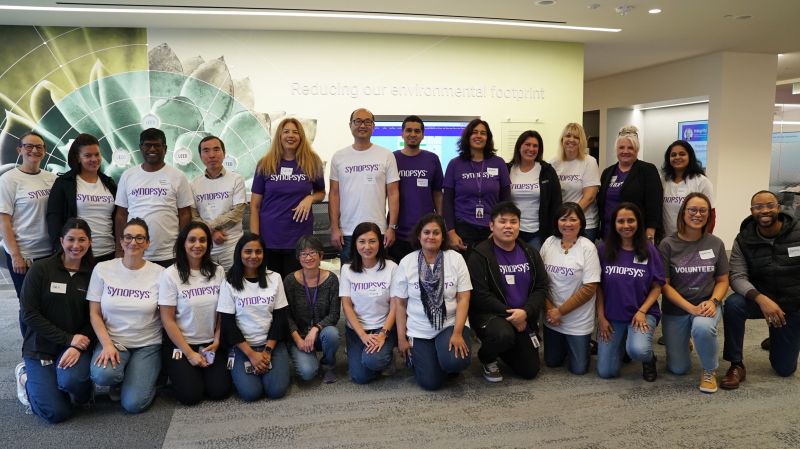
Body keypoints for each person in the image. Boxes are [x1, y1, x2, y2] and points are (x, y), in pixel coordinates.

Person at [16, 218, 94, 423]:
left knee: (75, 384)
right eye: (70, 239)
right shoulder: (41, 269)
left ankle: (64, 385)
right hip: (40, 346)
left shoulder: (93, 274)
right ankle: (25, 377)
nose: (76, 246)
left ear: (90, 242)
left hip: (75, 347)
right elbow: (29, 314)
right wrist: (68, 339)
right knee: (56, 413)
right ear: (61, 241)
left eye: (82, 240)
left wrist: (77, 345)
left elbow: (96, 316)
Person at [721, 190, 800, 389]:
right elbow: (737, 276)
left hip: (793, 302)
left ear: (778, 208)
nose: (764, 210)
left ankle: (777, 336)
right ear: (751, 211)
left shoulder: (798, 232)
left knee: (784, 369)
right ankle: (736, 364)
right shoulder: (743, 239)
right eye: (758, 207)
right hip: (760, 300)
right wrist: (761, 299)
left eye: (769, 205)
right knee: (733, 305)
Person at [88, 217, 165, 414]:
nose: (134, 242)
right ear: (121, 241)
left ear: (147, 243)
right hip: (113, 342)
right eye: (129, 237)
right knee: (102, 376)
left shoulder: (161, 273)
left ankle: (144, 377)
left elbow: (167, 315)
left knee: (133, 404)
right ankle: (120, 377)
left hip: (147, 344)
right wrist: (106, 345)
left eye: (140, 238)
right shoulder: (102, 269)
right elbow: (94, 313)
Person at [467, 201, 548, 382]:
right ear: (491, 225)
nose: (508, 226)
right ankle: (487, 358)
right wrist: (511, 314)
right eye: (502, 222)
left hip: (523, 316)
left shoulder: (530, 252)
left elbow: (541, 287)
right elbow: (480, 295)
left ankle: (505, 346)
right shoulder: (480, 255)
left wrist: (525, 312)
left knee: (530, 370)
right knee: (502, 335)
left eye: (513, 222)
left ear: (519, 225)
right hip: (492, 316)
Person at [392, 213, 472, 390]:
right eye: (426, 232)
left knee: (455, 362)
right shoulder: (407, 262)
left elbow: (463, 298)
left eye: (436, 232)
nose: (431, 236)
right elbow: (400, 304)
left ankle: (443, 358)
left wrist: (458, 333)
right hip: (419, 330)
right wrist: (401, 338)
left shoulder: (455, 259)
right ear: (419, 235)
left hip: (450, 324)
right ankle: (431, 359)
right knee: (431, 383)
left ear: (443, 236)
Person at [658, 193, 728, 393]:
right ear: (683, 213)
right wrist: (689, 308)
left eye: (702, 210)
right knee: (678, 368)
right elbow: (664, 285)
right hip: (677, 309)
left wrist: (713, 301)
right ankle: (684, 340)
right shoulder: (667, 244)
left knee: (702, 328)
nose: (697, 214)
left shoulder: (716, 243)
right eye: (692, 210)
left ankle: (709, 370)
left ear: (708, 215)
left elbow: (723, 280)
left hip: (706, 305)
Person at [158, 221, 231, 405]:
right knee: (191, 396)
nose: (197, 245)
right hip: (182, 345)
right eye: (192, 240)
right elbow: (167, 320)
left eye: (202, 240)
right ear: (183, 243)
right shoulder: (170, 274)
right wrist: (190, 354)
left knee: (219, 391)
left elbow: (222, 312)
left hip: (210, 344)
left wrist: (216, 341)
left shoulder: (218, 271)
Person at [217, 233, 291, 401]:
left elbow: (280, 319)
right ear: (239, 254)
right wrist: (251, 355)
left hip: (271, 345)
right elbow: (228, 325)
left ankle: (271, 368)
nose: (253, 256)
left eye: (258, 252)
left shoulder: (275, 278)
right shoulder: (228, 282)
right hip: (243, 347)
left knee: (276, 391)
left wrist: (266, 352)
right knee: (251, 394)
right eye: (248, 251)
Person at [596, 203, 665, 381]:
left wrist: (642, 311)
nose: (626, 225)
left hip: (641, 313)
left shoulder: (649, 249)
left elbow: (658, 285)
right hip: (613, 316)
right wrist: (602, 318)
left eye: (631, 221)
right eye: (621, 221)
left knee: (638, 350)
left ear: (638, 222)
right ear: (614, 224)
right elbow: (598, 287)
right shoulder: (603, 250)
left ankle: (649, 359)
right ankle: (623, 344)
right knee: (606, 372)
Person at [251, 118, 325, 277]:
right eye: (286, 132)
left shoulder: (313, 162)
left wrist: (309, 199)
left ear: (301, 137)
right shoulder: (265, 164)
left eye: (295, 132)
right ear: (279, 136)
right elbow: (255, 206)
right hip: (270, 239)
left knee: (296, 289)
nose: (290, 135)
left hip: (300, 240)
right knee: (272, 290)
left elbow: (321, 192)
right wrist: (255, 240)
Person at [329, 108, 400, 263]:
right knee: (350, 279)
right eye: (358, 121)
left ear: (373, 126)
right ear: (350, 125)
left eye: (367, 121)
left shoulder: (386, 155)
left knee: (379, 279)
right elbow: (334, 194)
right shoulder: (339, 157)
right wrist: (334, 228)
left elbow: (393, 193)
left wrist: (391, 227)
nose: (363, 125)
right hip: (347, 232)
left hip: (379, 231)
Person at [115, 128, 193, 267]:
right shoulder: (128, 175)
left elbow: (185, 214)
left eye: (157, 145)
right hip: (134, 251)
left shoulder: (178, 176)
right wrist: (119, 249)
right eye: (148, 145)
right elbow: (121, 215)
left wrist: (183, 247)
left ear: (165, 148)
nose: (152, 149)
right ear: (140, 147)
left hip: (169, 254)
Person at [540, 202, 601, 375]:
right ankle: (567, 344)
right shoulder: (549, 243)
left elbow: (589, 288)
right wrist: (550, 309)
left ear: (581, 223)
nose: (568, 224)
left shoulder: (587, 247)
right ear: (556, 222)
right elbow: (539, 281)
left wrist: (560, 312)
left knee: (579, 369)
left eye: (573, 219)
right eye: (563, 219)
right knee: (552, 362)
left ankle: (584, 343)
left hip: (577, 320)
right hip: (552, 318)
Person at [0, 131, 57, 301]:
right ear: (19, 150)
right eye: (28, 146)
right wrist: (16, 255)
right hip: (25, 255)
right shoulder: (9, 180)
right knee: (28, 304)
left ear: (44, 151)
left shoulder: (51, 178)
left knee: (50, 301)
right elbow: (4, 220)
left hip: (49, 253)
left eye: (39, 146)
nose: (34, 150)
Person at [340, 222, 398, 384]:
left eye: (372, 241)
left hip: (383, 327)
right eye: (362, 241)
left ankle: (384, 357)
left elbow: (395, 305)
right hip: (357, 330)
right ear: (355, 244)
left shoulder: (392, 267)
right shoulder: (347, 269)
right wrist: (363, 336)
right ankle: (368, 356)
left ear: (380, 243)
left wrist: (382, 334)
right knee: (360, 377)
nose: (367, 246)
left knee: (373, 361)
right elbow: (346, 306)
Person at [444, 119, 511, 255]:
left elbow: (506, 201)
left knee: (489, 273)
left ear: (488, 138)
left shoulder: (498, 163)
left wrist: (501, 229)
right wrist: (450, 232)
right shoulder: (455, 164)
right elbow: (447, 202)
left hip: (491, 230)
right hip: (462, 231)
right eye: (474, 132)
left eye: (483, 133)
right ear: (467, 136)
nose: (479, 136)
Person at [47, 133, 117, 262]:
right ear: (78, 158)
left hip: (108, 252)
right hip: (76, 254)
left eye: (97, 154)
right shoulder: (64, 183)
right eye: (87, 155)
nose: (94, 159)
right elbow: (54, 218)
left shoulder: (109, 183)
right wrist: (60, 250)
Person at [284, 235, 340, 384]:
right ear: (298, 257)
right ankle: (304, 355)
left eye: (312, 253)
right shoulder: (290, 281)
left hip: (322, 333)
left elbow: (334, 314)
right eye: (303, 254)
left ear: (321, 255)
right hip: (299, 336)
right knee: (308, 373)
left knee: (332, 334)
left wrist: (316, 329)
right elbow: (286, 316)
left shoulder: (332, 279)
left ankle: (328, 365)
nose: (308, 257)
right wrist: (298, 339)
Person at [390, 115, 443, 262]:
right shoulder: (392, 158)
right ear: (402, 133)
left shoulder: (432, 159)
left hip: (426, 233)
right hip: (398, 232)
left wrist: (440, 220)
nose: (412, 134)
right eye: (408, 130)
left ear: (423, 135)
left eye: (417, 131)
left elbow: (438, 193)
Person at [597, 126, 663, 242]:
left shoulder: (647, 170)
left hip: (636, 234)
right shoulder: (607, 172)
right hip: (609, 234)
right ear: (616, 150)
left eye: (630, 148)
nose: (625, 151)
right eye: (621, 147)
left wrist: (650, 232)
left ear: (636, 150)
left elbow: (655, 205)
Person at [191, 136, 246, 271]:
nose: (212, 155)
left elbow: (237, 212)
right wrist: (211, 232)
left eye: (216, 149)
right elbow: (194, 215)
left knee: (234, 284)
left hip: (232, 244)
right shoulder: (193, 184)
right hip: (205, 246)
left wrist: (210, 227)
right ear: (200, 155)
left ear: (224, 153)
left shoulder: (236, 179)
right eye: (206, 151)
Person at [507, 130, 562, 251]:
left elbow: (556, 202)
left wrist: (554, 231)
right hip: (512, 231)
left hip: (538, 233)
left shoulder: (547, 171)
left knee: (535, 267)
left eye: (535, 146)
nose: (531, 149)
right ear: (519, 146)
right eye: (527, 144)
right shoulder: (508, 169)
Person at [550, 123, 602, 242]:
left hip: (585, 223)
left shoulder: (589, 161)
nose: (571, 140)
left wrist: (569, 216)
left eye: (576, 137)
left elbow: (589, 196)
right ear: (562, 139)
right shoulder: (553, 162)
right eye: (568, 136)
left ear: (581, 141)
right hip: (562, 223)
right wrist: (563, 219)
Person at [661, 140, 714, 238]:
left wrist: (705, 240)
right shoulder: (663, 181)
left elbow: (711, 215)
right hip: (667, 240)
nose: (677, 157)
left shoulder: (702, 181)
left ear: (690, 156)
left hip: (694, 240)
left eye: (682, 154)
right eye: (673, 155)